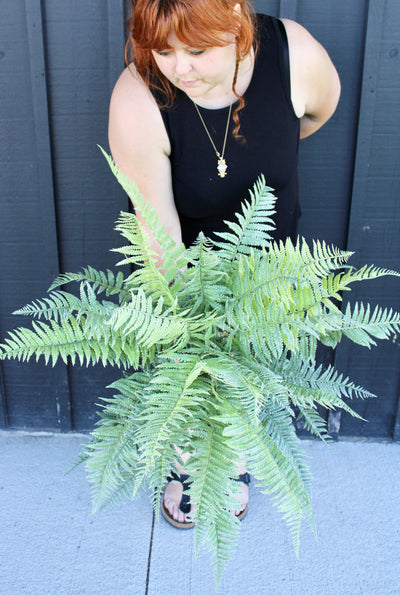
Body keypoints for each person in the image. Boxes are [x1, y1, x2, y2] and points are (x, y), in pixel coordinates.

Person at [108, 0, 341, 527]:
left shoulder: (293, 54)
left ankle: (233, 449)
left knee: (251, 372)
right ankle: (190, 447)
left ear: (234, 15)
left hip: (270, 267)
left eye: (197, 50)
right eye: (163, 50)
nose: (179, 67)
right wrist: (197, 334)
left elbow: (318, 112)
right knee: (194, 379)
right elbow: (159, 240)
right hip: (183, 274)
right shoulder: (137, 96)